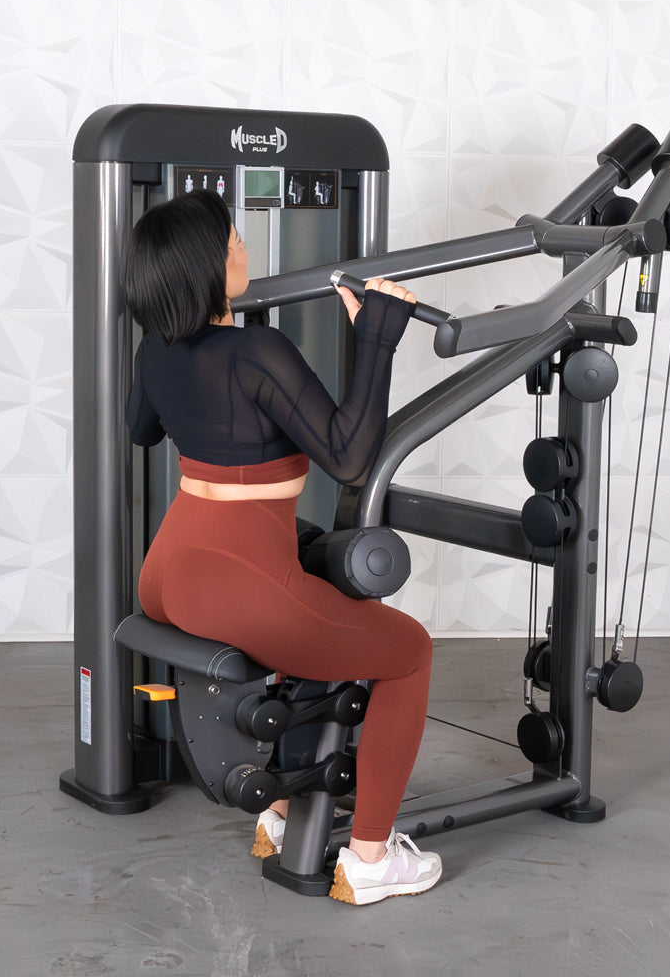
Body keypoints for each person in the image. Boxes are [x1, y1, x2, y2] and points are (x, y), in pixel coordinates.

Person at [122, 188, 441, 905]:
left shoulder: (156, 349)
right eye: (232, 240)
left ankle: (286, 809)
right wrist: (377, 337)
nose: (242, 248)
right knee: (409, 652)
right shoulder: (256, 350)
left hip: (168, 570)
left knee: (327, 611)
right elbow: (349, 457)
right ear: (204, 265)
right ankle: (371, 858)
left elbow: (142, 430)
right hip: (237, 584)